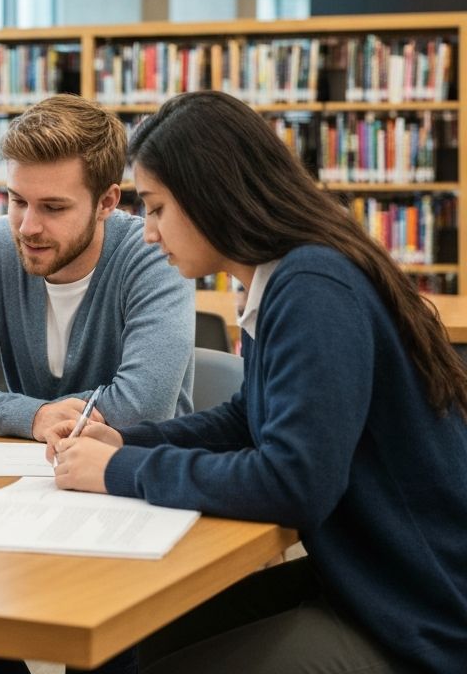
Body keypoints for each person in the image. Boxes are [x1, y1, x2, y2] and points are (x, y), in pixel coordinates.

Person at [48, 90, 467, 674]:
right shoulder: (284, 276)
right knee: (138, 638)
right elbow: (249, 418)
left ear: (210, 195)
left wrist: (119, 470)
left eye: (158, 208)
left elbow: (294, 483)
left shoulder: (313, 288)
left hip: (419, 613)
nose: (147, 233)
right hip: (368, 578)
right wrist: (126, 440)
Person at [0, 93, 195, 442]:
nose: (28, 227)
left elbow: (142, 409)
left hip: (137, 466)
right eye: (17, 201)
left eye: (54, 208)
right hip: (35, 466)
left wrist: (16, 412)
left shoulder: (153, 253)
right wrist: (36, 416)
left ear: (106, 202)